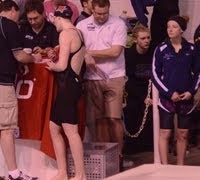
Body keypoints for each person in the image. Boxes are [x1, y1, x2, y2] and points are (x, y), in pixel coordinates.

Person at [0, 0, 41, 179]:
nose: (19, 17)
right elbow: (20, 54)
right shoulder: (10, 26)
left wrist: (17, 65)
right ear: (12, 10)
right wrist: (33, 58)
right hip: (1, 84)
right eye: (18, 13)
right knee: (6, 130)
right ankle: (14, 174)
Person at [76, 0, 127, 167]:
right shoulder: (82, 25)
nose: (101, 16)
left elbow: (115, 51)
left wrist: (89, 52)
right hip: (92, 78)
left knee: (114, 118)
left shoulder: (118, 23)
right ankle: (105, 157)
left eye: (104, 13)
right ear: (92, 9)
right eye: (98, 13)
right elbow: (77, 49)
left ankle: (119, 155)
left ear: (109, 9)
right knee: (97, 120)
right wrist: (85, 55)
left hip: (114, 76)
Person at [46, 5, 87, 180]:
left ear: (58, 18)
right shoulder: (78, 32)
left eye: (54, 19)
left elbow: (62, 65)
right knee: (54, 127)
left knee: (71, 130)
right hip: (73, 84)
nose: (54, 23)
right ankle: (62, 172)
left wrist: (50, 65)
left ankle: (80, 174)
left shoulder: (65, 34)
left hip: (68, 86)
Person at [152, 16, 200, 165]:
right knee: (165, 133)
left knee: (183, 134)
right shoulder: (160, 49)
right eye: (168, 27)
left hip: (186, 98)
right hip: (167, 99)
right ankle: (164, 168)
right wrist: (169, 92)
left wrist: (191, 91)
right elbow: (155, 74)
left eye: (174, 26)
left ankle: (180, 167)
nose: (170, 29)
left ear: (182, 30)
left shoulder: (192, 49)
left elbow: (198, 73)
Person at [123, 25, 154, 154]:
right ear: (136, 40)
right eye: (143, 38)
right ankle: (133, 149)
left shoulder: (154, 52)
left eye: (148, 38)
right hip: (134, 91)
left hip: (150, 90)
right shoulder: (129, 54)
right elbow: (128, 80)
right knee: (133, 114)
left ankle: (149, 147)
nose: (146, 41)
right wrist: (143, 98)